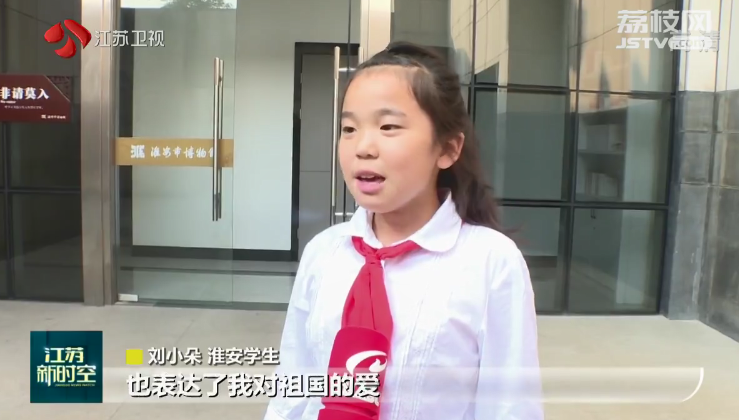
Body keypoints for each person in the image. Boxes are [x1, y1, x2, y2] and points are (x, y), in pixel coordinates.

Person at [263, 41, 543, 420]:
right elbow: (292, 387)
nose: (363, 147)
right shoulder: (323, 252)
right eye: (349, 128)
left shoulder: (491, 262)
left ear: (448, 149)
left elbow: (510, 406)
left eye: (388, 126)